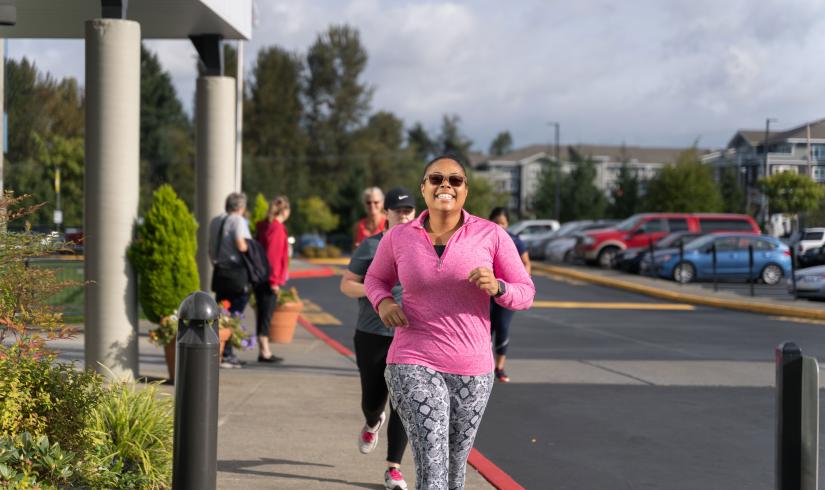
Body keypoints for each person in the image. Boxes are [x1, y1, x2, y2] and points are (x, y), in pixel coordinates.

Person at [364, 154, 535, 489]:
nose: (446, 185)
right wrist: (383, 303)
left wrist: (498, 287)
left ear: (465, 190)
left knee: (455, 469)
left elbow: (525, 292)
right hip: (413, 359)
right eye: (436, 179)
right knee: (432, 459)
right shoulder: (399, 237)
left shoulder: (491, 235)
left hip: (473, 368)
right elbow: (374, 279)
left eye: (455, 180)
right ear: (424, 189)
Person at [340, 187, 416, 490]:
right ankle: (373, 421)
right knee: (373, 400)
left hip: (409, 337)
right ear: (387, 214)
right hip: (372, 333)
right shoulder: (371, 246)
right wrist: (379, 295)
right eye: (398, 211)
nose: (404, 215)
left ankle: (393, 469)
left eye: (408, 210)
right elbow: (346, 286)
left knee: (404, 402)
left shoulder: (425, 246)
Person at [487, 207, 531, 383]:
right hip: (485, 293)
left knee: (502, 328)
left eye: (502, 223)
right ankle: (485, 367)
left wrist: (522, 283)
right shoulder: (482, 238)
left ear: (507, 224)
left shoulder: (514, 240)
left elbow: (526, 263)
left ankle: (500, 367)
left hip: (507, 292)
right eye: (496, 222)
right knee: (485, 331)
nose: (499, 226)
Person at [209, 192, 251, 369]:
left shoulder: (216, 220)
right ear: (241, 207)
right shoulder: (238, 221)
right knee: (236, 312)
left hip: (219, 272)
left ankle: (218, 351)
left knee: (221, 311)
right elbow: (241, 244)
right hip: (236, 273)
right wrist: (252, 250)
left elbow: (211, 246)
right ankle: (227, 354)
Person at [255, 196, 291, 363]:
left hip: (259, 276)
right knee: (266, 314)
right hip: (268, 278)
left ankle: (264, 349)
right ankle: (265, 351)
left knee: (262, 313)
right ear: (285, 211)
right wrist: (274, 281)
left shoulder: (264, 226)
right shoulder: (277, 228)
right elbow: (274, 257)